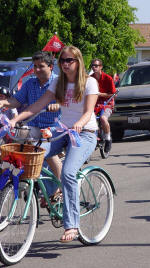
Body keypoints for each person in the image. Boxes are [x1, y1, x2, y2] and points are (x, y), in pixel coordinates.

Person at [9, 46, 99, 243]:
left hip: (85, 134)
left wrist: (79, 124)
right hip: (62, 131)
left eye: (70, 61)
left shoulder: (89, 82)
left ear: (78, 61)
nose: (65, 64)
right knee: (35, 154)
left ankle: (72, 225)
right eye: (63, 61)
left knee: (68, 172)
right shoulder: (58, 82)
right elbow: (37, 105)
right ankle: (52, 193)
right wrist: (16, 120)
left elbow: (88, 111)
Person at [0, 51, 62, 201]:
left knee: (48, 152)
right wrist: (4, 103)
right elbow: (17, 101)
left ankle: (62, 187)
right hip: (33, 126)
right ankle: (25, 180)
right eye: (35, 66)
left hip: (54, 127)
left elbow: (68, 102)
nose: (37, 70)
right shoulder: (30, 83)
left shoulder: (58, 82)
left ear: (51, 67)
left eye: (41, 66)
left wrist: (58, 105)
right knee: (18, 144)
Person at [90, 58, 116, 151]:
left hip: (107, 103)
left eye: (96, 65)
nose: (94, 67)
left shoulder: (108, 78)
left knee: (103, 118)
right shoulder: (90, 78)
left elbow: (113, 94)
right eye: (92, 65)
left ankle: (108, 139)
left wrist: (100, 94)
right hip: (94, 104)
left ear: (101, 67)